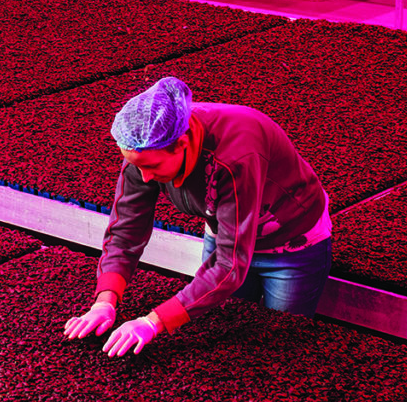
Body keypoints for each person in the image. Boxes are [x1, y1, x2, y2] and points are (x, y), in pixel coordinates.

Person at [64, 77, 332, 357]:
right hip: (225, 230)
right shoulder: (145, 144)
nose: (145, 178)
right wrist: (105, 300)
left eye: (152, 167)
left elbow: (229, 266)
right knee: (225, 333)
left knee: (277, 345)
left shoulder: (235, 155)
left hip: (290, 244)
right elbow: (126, 228)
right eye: (136, 166)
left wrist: (153, 322)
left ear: (182, 143)